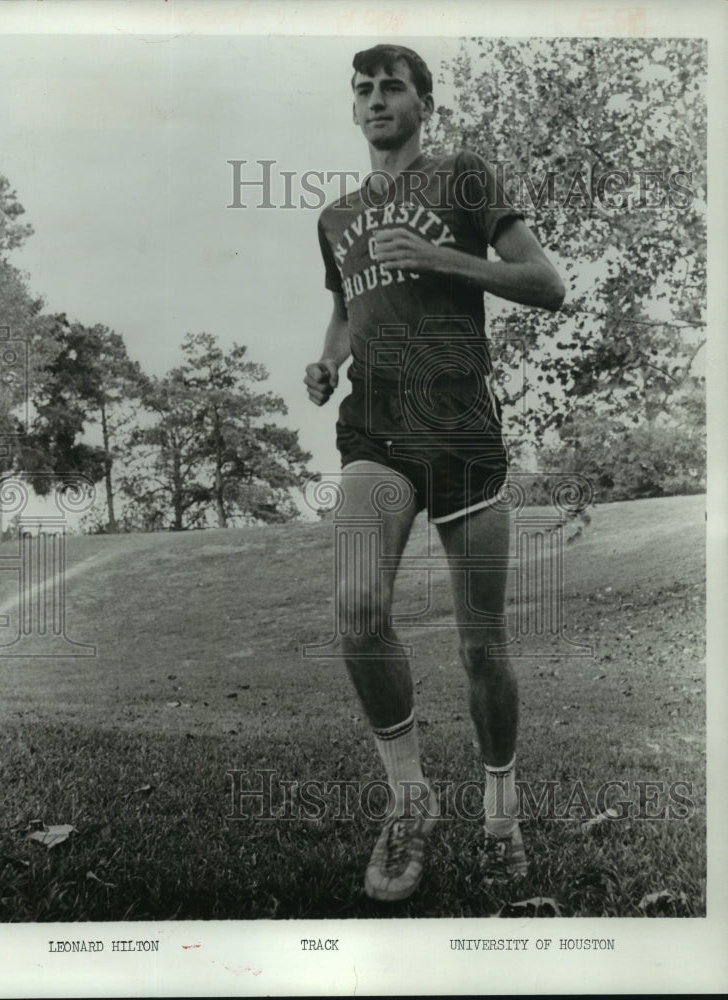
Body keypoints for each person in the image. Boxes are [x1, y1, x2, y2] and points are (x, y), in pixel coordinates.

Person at [304, 44, 565, 903]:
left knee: (481, 643)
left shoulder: (463, 178)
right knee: (356, 607)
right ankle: (410, 802)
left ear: (424, 102)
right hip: (374, 433)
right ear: (354, 107)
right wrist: (328, 360)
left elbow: (546, 283)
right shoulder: (337, 217)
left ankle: (501, 819)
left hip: (461, 433)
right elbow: (347, 309)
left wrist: (442, 257)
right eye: (364, 89)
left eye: (394, 87)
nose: (377, 99)